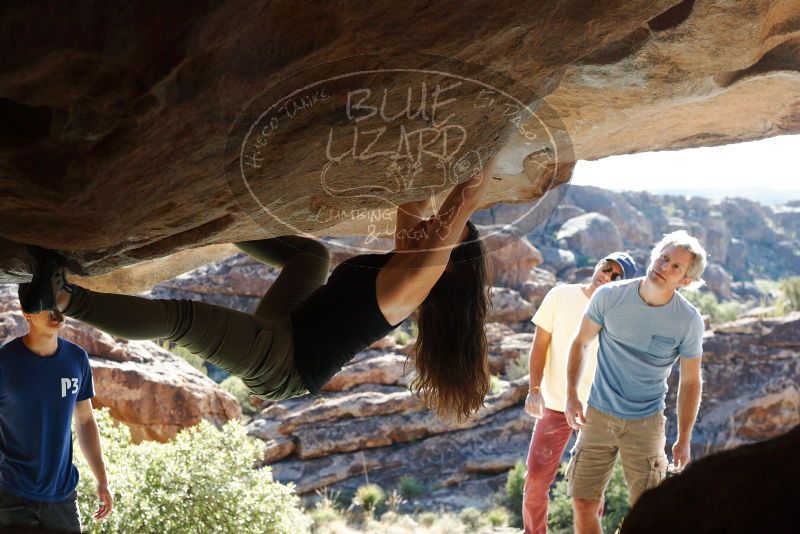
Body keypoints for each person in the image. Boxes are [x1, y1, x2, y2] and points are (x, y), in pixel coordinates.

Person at [20, 154, 498, 420]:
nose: (432, 226)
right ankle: (209, 214)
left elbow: (464, 200)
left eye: (443, 233)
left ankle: (61, 298)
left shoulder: (411, 284)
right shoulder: (407, 259)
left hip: (283, 366)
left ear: (448, 266)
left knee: (182, 318)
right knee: (313, 255)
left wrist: (496, 133)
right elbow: (417, 197)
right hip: (289, 329)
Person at [564, 230, 707, 534]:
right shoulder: (610, 297)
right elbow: (581, 342)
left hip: (647, 422)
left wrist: (684, 438)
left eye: (676, 267)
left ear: (686, 281)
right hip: (598, 415)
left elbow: (691, 382)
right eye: (663, 257)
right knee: (583, 502)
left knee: (650, 511)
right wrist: (572, 396)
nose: (664, 266)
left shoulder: (688, 320)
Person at [522, 252, 637, 534]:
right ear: (598, 265)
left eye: (616, 276)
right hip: (555, 406)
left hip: (596, 412)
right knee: (536, 479)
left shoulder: (619, 317)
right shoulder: (560, 295)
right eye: (606, 267)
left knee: (590, 489)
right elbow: (539, 346)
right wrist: (534, 389)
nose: (607, 275)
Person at [0, 304, 113, 532]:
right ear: (26, 313)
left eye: (57, 301)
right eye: (44, 303)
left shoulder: (76, 358)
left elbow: (85, 421)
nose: (55, 309)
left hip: (62, 497)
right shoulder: (4, 361)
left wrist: (102, 479)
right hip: (10, 495)